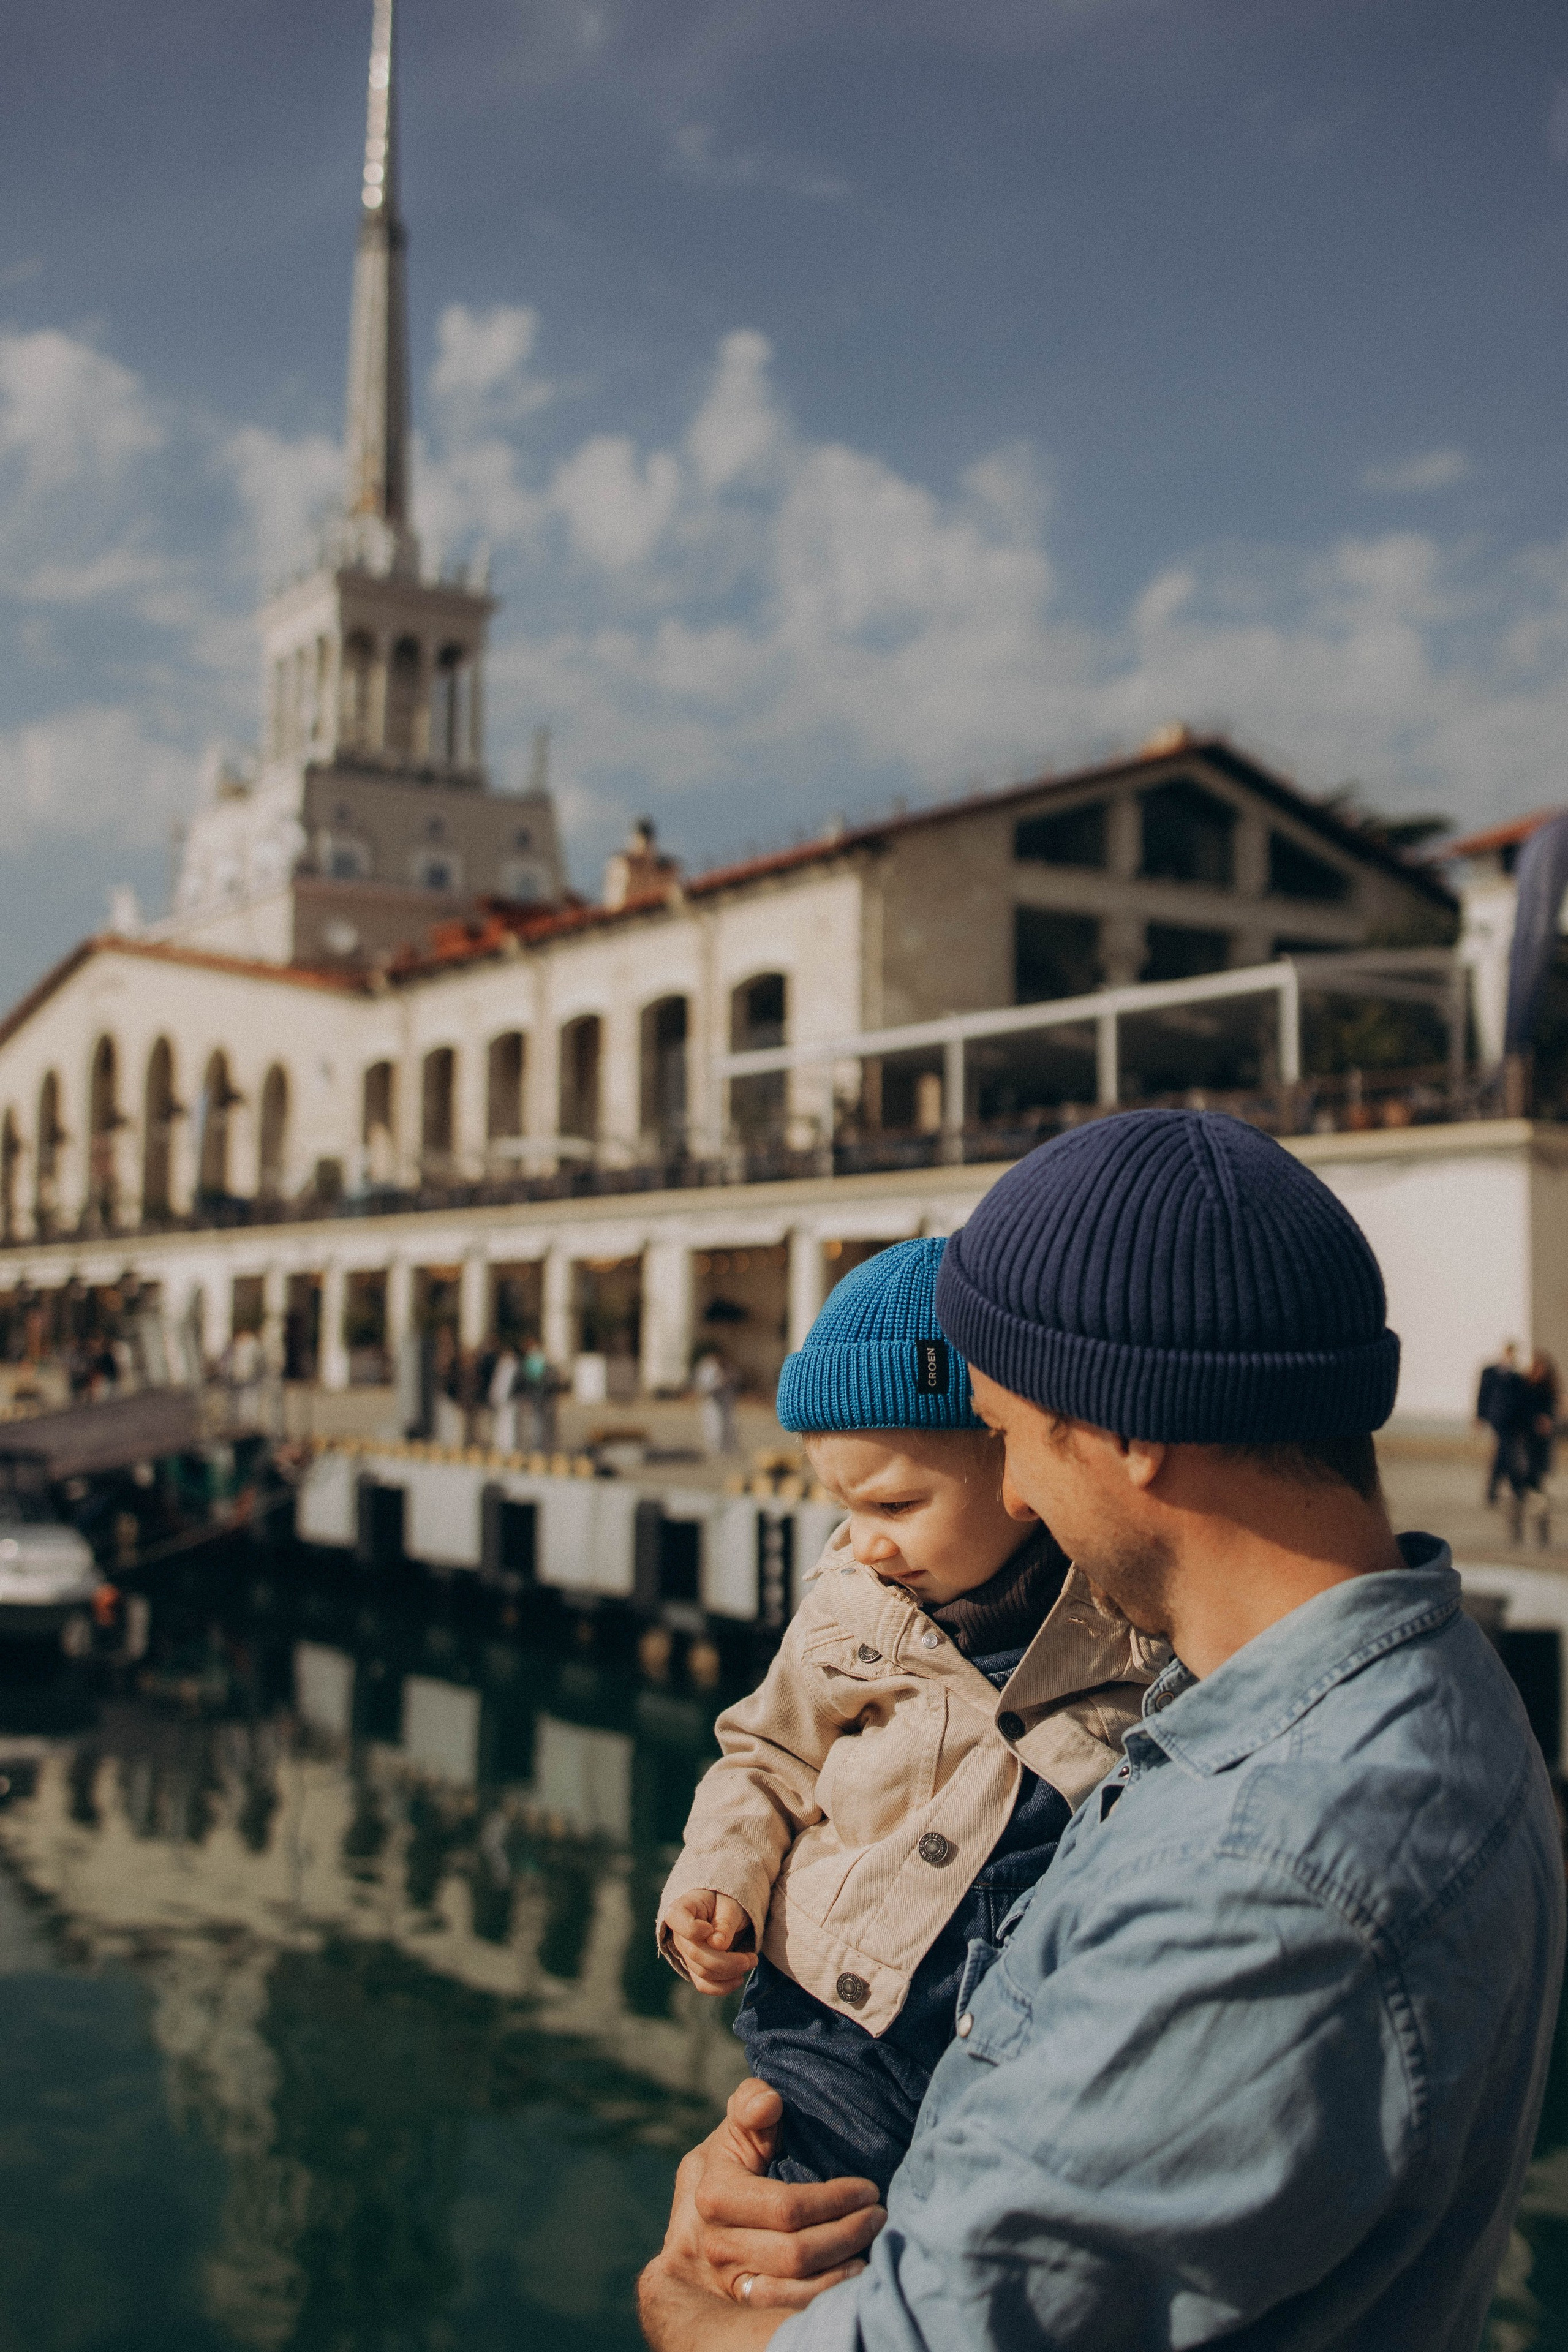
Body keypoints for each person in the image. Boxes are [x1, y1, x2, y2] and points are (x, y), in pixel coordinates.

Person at [638, 1109, 1565, 2352]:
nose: (1013, 1492)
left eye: (1013, 1434)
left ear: (1130, 1431)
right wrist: (774, 2148)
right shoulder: (1414, 1691)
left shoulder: (1269, 1881)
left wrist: (688, 2311)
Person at [658, 1238, 1159, 2196]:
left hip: (1021, 2039)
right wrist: (719, 1876)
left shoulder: (1123, 1627)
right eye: (842, 1505)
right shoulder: (850, 1607)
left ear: (1013, 1466)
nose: (862, 1539)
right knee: (811, 2226)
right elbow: (761, 1757)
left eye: (893, 1502)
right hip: (831, 2018)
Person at [1476, 1340, 1526, 1507]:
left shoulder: (1517, 1376)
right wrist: (1480, 1417)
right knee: (1506, 1452)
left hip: (1513, 1422)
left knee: (1504, 1454)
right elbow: (1483, 1395)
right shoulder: (1490, 1372)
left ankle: (1496, 1491)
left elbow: (1521, 1403)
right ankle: (1515, 1489)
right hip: (1497, 1419)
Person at [695, 1348, 739, 1456]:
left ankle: (728, 1449)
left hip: (725, 1403)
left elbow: (735, 1381)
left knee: (727, 1426)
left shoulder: (726, 1367)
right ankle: (716, 1450)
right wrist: (719, 1383)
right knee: (714, 1427)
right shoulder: (707, 1370)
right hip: (712, 1404)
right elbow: (704, 1388)